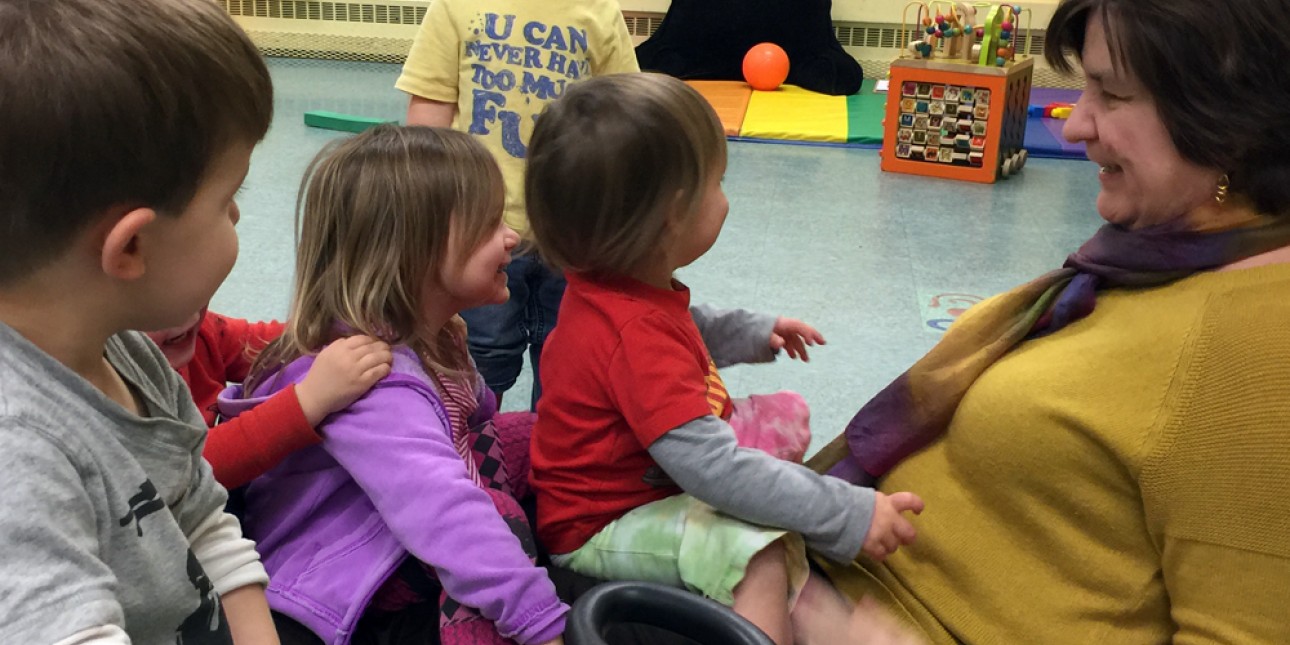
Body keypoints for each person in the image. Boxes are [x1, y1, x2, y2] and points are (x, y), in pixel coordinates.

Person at [810, 0, 1290, 641]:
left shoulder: (1259, 351)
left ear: (1232, 121)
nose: (1073, 127)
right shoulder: (1154, 262)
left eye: (1113, 94)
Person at [524, 73, 924, 645]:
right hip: (599, 524)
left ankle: (830, 623)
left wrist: (757, 332)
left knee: (785, 426)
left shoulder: (621, 286)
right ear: (672, 216)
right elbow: (713, 472)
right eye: (720, 182)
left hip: (652, 479)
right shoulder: (631, 336)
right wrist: (845, 513)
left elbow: (687, 324)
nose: (727, 197)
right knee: (753, 549)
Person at [221, 125, 566, 645]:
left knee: (555, 434)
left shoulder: (436, 334)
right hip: (346, 589)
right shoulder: (378, 381)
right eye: (491, 224)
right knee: (486, 530)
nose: (511, 237)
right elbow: (445, 514)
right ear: (419, 254)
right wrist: (538, 619)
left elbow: (472, 423)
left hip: (394, 529)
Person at [0, 0, 279, 642]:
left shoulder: (128, 351)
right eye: (228, 197)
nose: (236, 218)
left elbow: (203, 518)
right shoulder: (22, 453)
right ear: (130, 248)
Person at [396, 0, 640, 409]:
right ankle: (473, 446)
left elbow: (623, 119)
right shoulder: (455, 7)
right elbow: (430, 110)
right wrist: (429, 208)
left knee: (569, 353)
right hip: (479, 227)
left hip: (572, 233)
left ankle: (550, 456)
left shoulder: (598, 11)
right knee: (482, 352)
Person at [145, 308, 392, 489]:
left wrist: (334, 330)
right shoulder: (117, 389)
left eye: (198, 291)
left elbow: (264, 345)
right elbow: (187, 467)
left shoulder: (196, 330)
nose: (189, 315)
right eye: (150, 304)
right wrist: (309, 400)